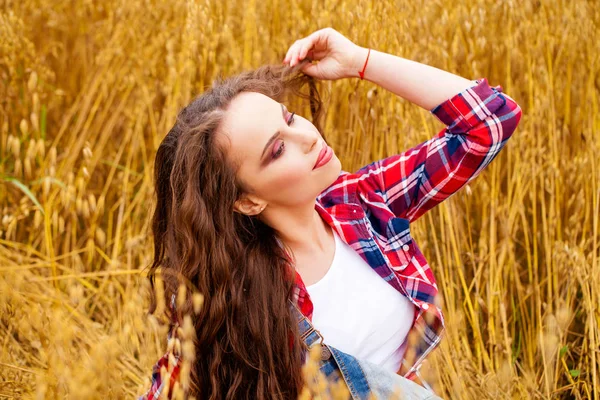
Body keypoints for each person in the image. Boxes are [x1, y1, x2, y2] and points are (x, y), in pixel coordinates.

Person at [138, 27, 522, 400]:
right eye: (277, 151)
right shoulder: (232, 295)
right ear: (247, 201)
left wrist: (360, 61)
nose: (307, 137)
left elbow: (489, 122)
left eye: (289, 119)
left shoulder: (361, 205)